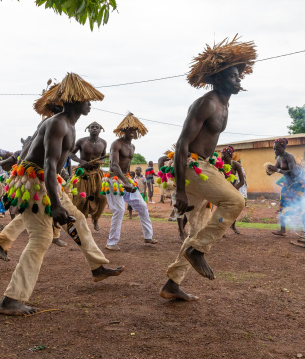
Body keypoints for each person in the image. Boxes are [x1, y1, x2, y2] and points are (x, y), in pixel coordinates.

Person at [0, 73, 123, 316]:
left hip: (46, 181)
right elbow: (49, 165)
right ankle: (11, 299)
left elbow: (55, 164)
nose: (90, 104)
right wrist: (56, 203)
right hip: (35, 182)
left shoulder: (68, 125)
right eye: (86, 100)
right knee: (41, 239)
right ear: (74, 100)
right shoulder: (58, 124)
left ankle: (97, 268)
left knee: (78, 220)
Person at [159, 35, 255, 301]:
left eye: (239, 76)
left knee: (196, 229)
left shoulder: (224, 104)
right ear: (219, 79)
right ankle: (198, 251)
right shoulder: (208, 103)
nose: (239, 80)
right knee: (235, 201)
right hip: (191, 166)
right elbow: (180, 145)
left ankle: (172, 283)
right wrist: (179, 189)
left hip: (202, 167)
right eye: (234, 76)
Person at [104, 113, 156, 251]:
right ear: (124, 130)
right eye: (130, 130)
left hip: (126, 179)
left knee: (142, 206)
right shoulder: (116, 144)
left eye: (135, 130)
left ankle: (148, 236)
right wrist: (124, 181)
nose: (133, 132)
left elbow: (126, 166)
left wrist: (128, 181)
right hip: (114, 179)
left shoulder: (132, 147)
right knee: (119, 210)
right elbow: (114, 165)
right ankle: (111, 243)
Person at [267, 138, 305, 237]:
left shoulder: (289, 157)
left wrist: (276, 169)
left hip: (299, 183)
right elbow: (276, 169)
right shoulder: (278, 158)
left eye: (277, 149)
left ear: (284, 147)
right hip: (289, 183)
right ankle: (283, 230)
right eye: (274, 149)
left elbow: (292, 172)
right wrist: (269, 170)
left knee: (301, 204)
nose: (275, 151)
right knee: (283, 203)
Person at [69, 122, 108, 231]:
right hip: (83, 173)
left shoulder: (103, 142)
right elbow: (70, 153)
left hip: (97, 173)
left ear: (100, 130)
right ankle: (78, 220)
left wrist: (100, 162)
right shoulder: (82, 141)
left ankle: (95, 219)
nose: (94, 129)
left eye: (97, 127)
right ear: (88, 129)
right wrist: (80, 161)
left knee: (102, 197)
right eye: (92, 127)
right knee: (81, 199)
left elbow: (104, 156)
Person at [221, 146, 246, 234]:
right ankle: (221, 229)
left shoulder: (236, 165)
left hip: (233, 188)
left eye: (223, 154)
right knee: (222, 209)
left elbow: (242, 181)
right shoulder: (219, 164)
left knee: (234, 208)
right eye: (221, 154)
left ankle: (233, 225)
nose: (221, 156)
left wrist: (233, 189)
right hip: (221, 188)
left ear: (229, 155)